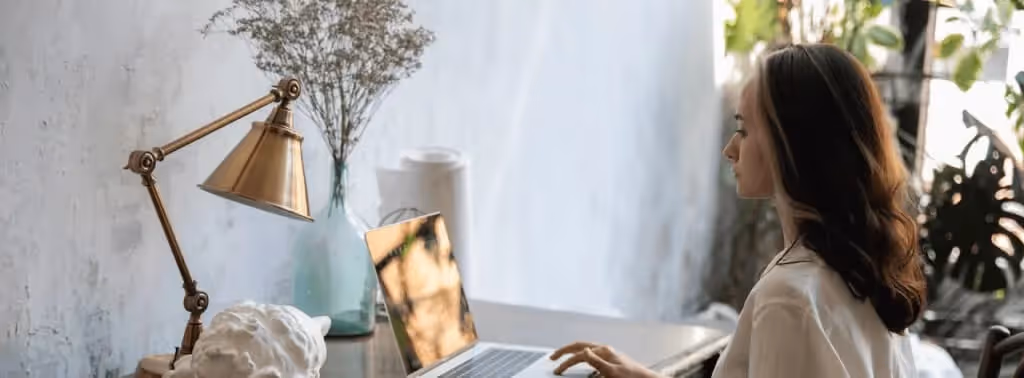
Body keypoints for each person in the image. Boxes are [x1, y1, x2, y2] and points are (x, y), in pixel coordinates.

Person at [548, 43, 927, 377]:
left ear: (788, 147)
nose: (730, 148)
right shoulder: (860, 270)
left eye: (744, 130)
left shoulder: (789, 298)